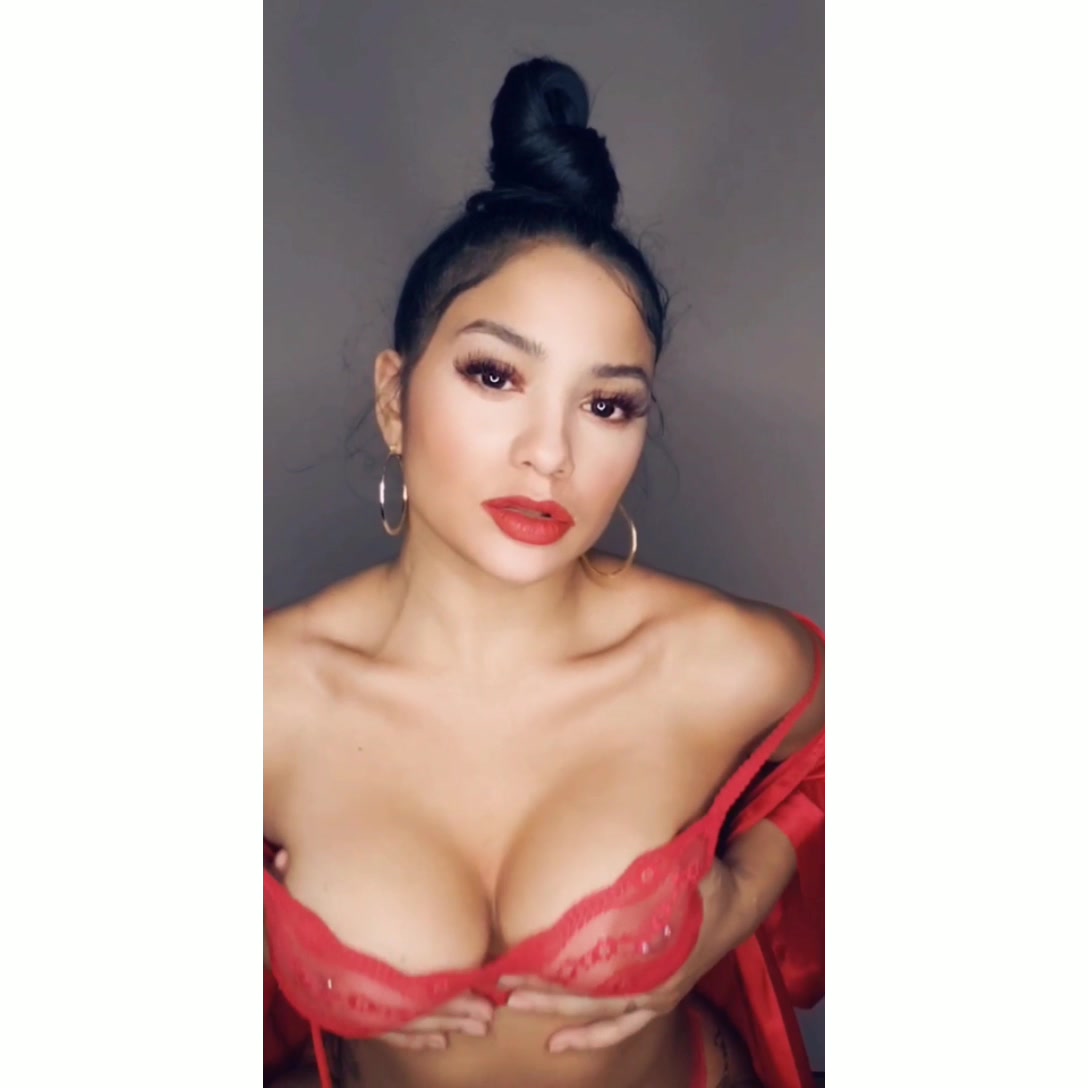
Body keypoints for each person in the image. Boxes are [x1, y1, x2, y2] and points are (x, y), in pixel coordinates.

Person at [264, 56, 825, 1088]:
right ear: (393, 400)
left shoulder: (711, 660)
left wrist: (741, 899)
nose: (550, 452)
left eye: (606, 404)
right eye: (494, 374)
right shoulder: (264, 695)